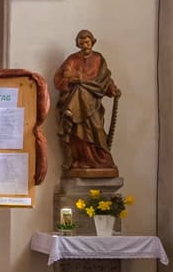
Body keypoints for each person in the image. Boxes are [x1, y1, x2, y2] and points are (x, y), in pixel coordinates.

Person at [52, 29, 121, 177]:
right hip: (76, 100)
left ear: (92, 42)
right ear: (78, 44)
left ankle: (102, 159)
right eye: (81, 42)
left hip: (93, 103)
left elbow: (104, 79)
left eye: (87, 41)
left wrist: (112, 89)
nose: (84, 44)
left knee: (97, 129)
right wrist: (74, 79)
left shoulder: (99, 59)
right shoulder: (72, 59)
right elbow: (61, 79)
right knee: (78, 134)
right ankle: (80, 160)